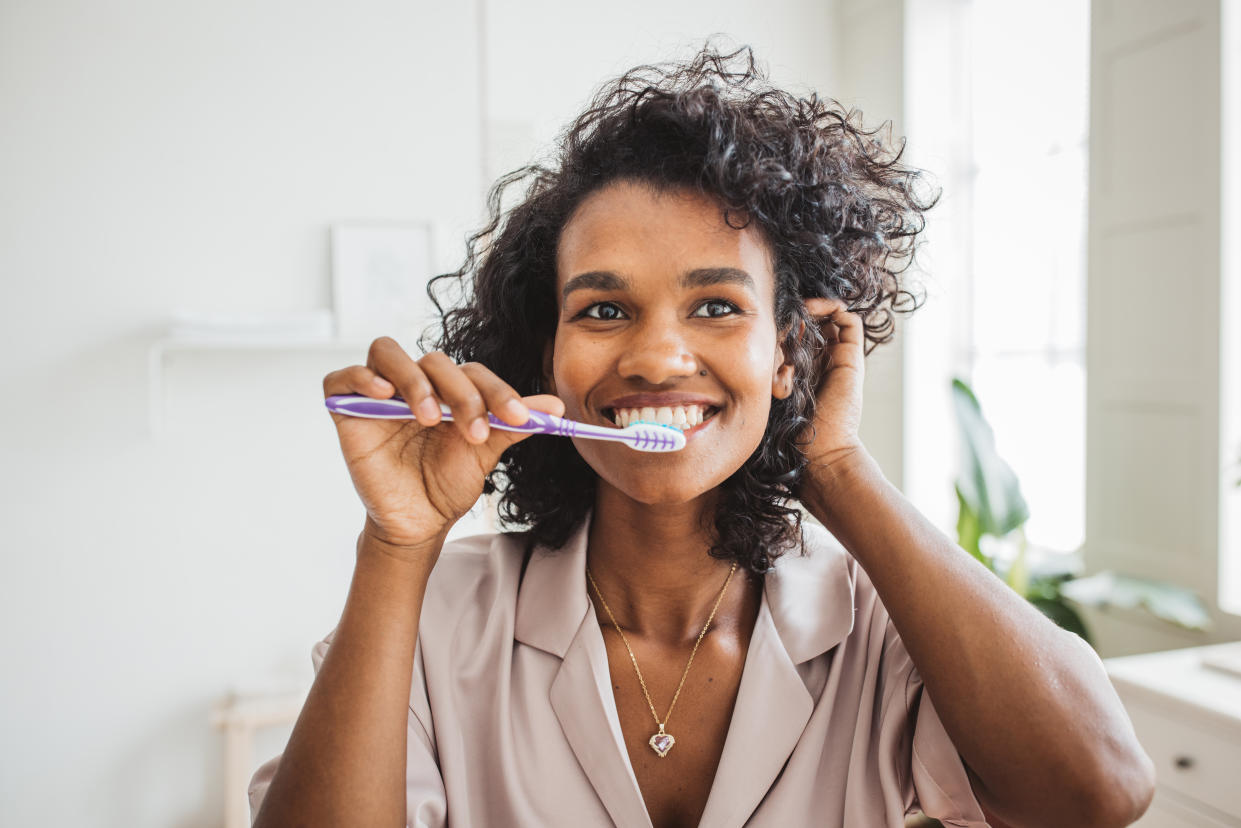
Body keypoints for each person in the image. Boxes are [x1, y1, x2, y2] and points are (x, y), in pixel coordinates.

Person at [248, 44, 1155, 828]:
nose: (655, 356)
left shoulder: (878, 626)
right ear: (546, 362)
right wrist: (397, 544)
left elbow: (1096, 794)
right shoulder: (441, 615)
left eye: (716, 305)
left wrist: (834, 469)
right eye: (603, 309)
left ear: (788, 356)